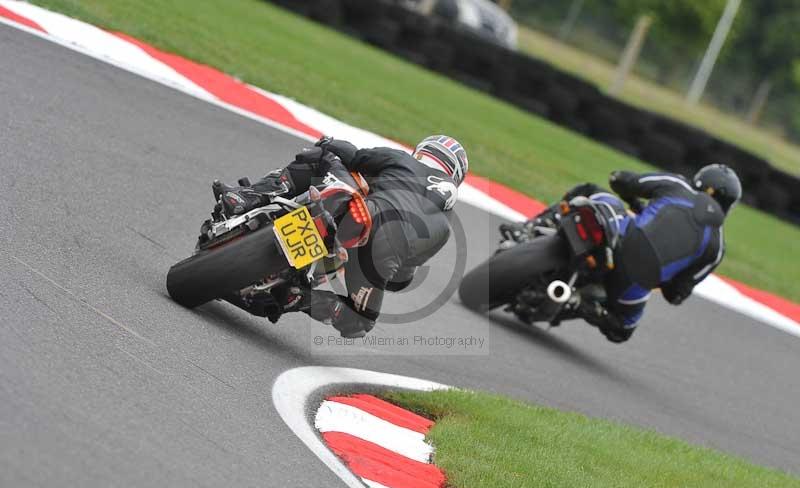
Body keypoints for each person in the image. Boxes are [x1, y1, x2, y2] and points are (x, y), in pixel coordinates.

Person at [214, 135, 468, 338]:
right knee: (360, 321)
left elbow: (354, 155)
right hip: (375, 260)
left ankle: (247, 197)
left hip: (363, 216)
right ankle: (298, 296)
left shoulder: (401, 160)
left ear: (423, 152)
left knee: (324, 156)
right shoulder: (443, 229)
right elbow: (400, 279)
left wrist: (329, 142)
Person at [501, 164, 741, 343]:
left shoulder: (677, 185)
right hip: (634, 284)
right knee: (623, 329)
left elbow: (619, 179)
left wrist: (633, 201)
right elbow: (676, 295)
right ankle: (582, 304)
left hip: (621, 241)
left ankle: (529, 228)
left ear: (700, 182)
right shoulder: (717, 248)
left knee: (590, 191)